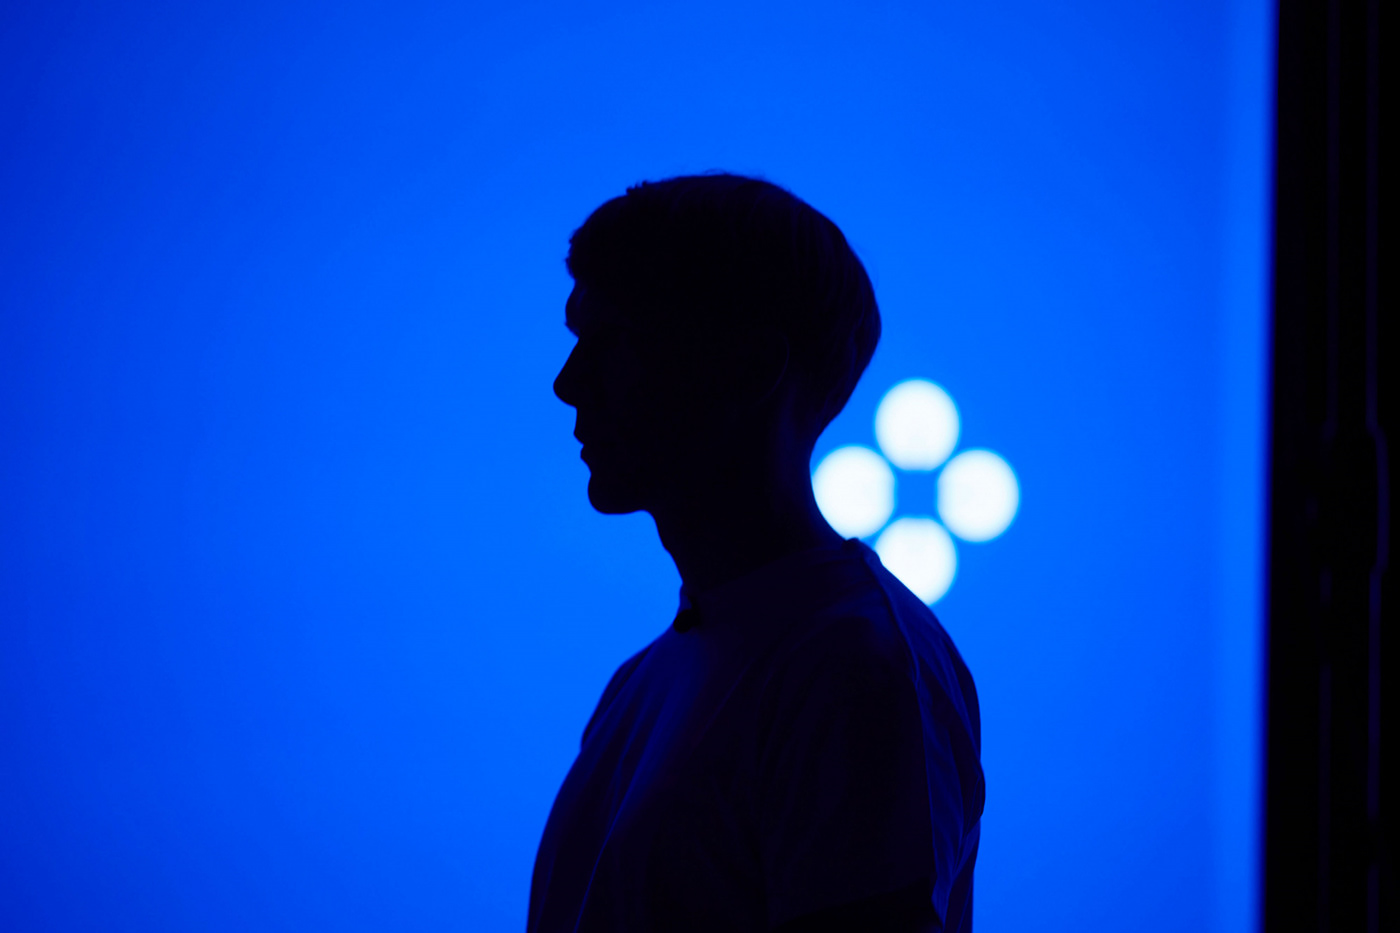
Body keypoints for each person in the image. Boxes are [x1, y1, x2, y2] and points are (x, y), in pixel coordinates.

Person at [529, 174, 983, 933]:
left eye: (612, 342)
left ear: (749, 368)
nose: (568, 383)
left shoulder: (855, 668)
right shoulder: (643, 681)